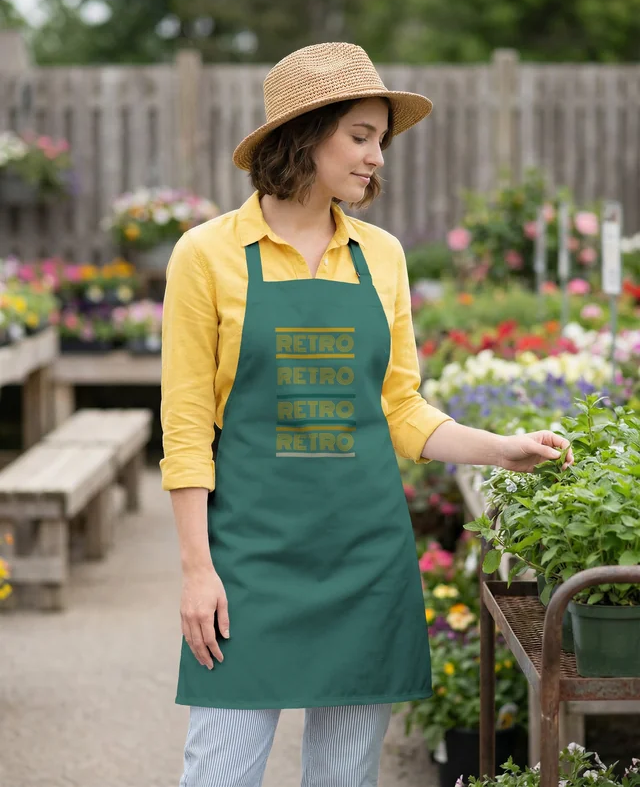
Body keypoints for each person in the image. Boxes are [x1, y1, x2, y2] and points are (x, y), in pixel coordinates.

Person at [160, 42, 574, 787]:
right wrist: (197, 570)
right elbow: (187, 428)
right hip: (249, 561)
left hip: (364, 562)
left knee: (345, 780)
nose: (377, 156)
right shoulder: (207, 255)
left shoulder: (380, 256)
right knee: (216, 775)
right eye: (360, 135)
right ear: (304, 134)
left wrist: (500, 448)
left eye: (381, 138)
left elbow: (402, 409)